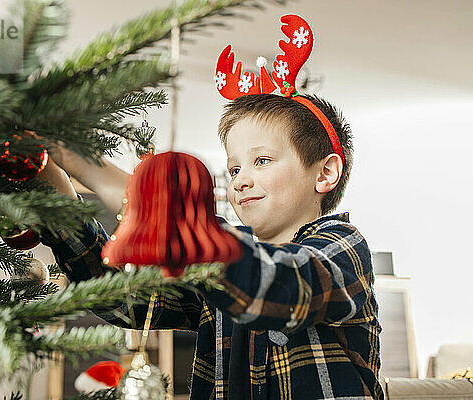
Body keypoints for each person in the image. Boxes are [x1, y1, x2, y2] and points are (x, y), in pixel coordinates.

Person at [37, 93, 383, 400]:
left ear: (324, 173)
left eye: (261, 160)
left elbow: (278, 284)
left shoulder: (341, 246)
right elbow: (125, 298)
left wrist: (112, 180)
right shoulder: (213, 272)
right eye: (234, 169)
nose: (241, 180)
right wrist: (65, 209)